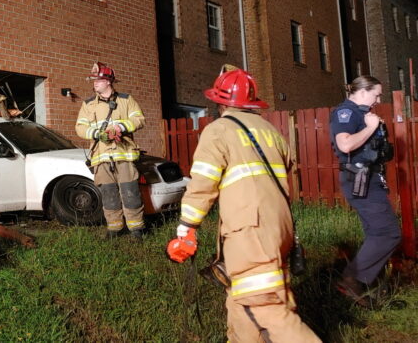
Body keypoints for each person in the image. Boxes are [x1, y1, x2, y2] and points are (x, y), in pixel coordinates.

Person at [166, 65, 319, 342]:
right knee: (241, 299)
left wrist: (187, 227)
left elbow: (203, 184)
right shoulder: (271, 132)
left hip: (251, 232)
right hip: (280, 228)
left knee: (265, 309)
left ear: (219, 101)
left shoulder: (219, 131)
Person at [329, 75, 401, 305]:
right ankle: (352, 280)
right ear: (362, 92)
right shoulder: (346, 112)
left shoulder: (363, 113)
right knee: (388, 233)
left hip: (369, 178)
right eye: (376, 94)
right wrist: (370, 128)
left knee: (377, 232)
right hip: (360, 178)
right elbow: (345, 144)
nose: (378, 99)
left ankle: (362, 283)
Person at [75, 62, 146, 239]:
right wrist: (98, 134)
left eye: (98, 80)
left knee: (130, 192)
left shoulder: (126, 100)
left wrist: (121, 127)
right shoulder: (88, 104)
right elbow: (80, 127)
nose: (94, 83)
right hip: (101, 157)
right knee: (108, 194)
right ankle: (114, 228)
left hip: (124, 155)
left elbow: (139, 119)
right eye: (93, 80)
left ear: (108, 81)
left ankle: (136, 229)